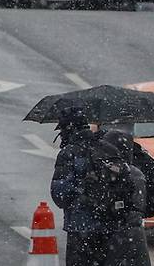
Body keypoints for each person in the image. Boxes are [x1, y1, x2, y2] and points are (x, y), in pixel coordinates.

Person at [50, 107, 111, 266]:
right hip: (110, 227)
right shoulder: (106, 148)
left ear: (68, 129)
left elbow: (60, 195)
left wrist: (80, 193)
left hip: (80, 227)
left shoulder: (69, 153)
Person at [101, 130, 151, 266]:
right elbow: (141, 205)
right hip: (134, 234)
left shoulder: (106, 171)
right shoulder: (136, 173)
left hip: (114, 233)